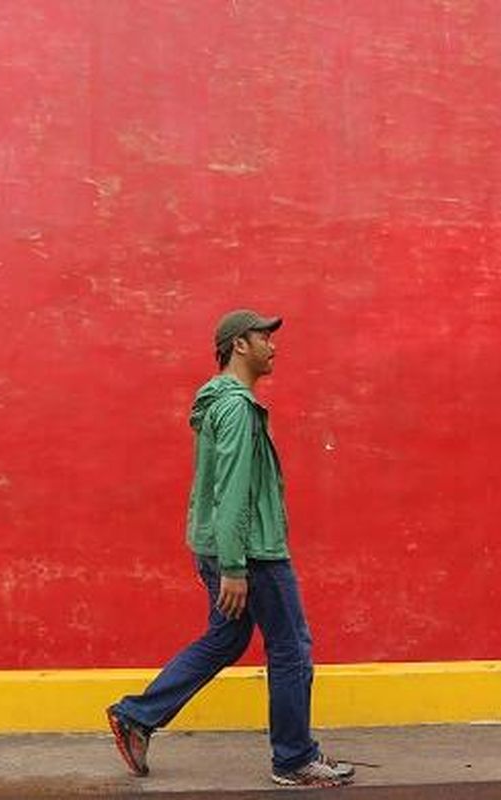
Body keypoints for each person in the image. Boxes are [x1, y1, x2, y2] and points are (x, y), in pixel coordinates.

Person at [106, 309, 354, 789]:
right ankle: (295, 758)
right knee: (291, 647)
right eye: (264, 337)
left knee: (227, 638)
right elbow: (233, 487)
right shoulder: (237, 407)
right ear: (239, 345)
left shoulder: (216, 403)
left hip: (219, 547)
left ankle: (138, 715)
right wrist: (237, 566)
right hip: (252, 552)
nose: (273, 346)